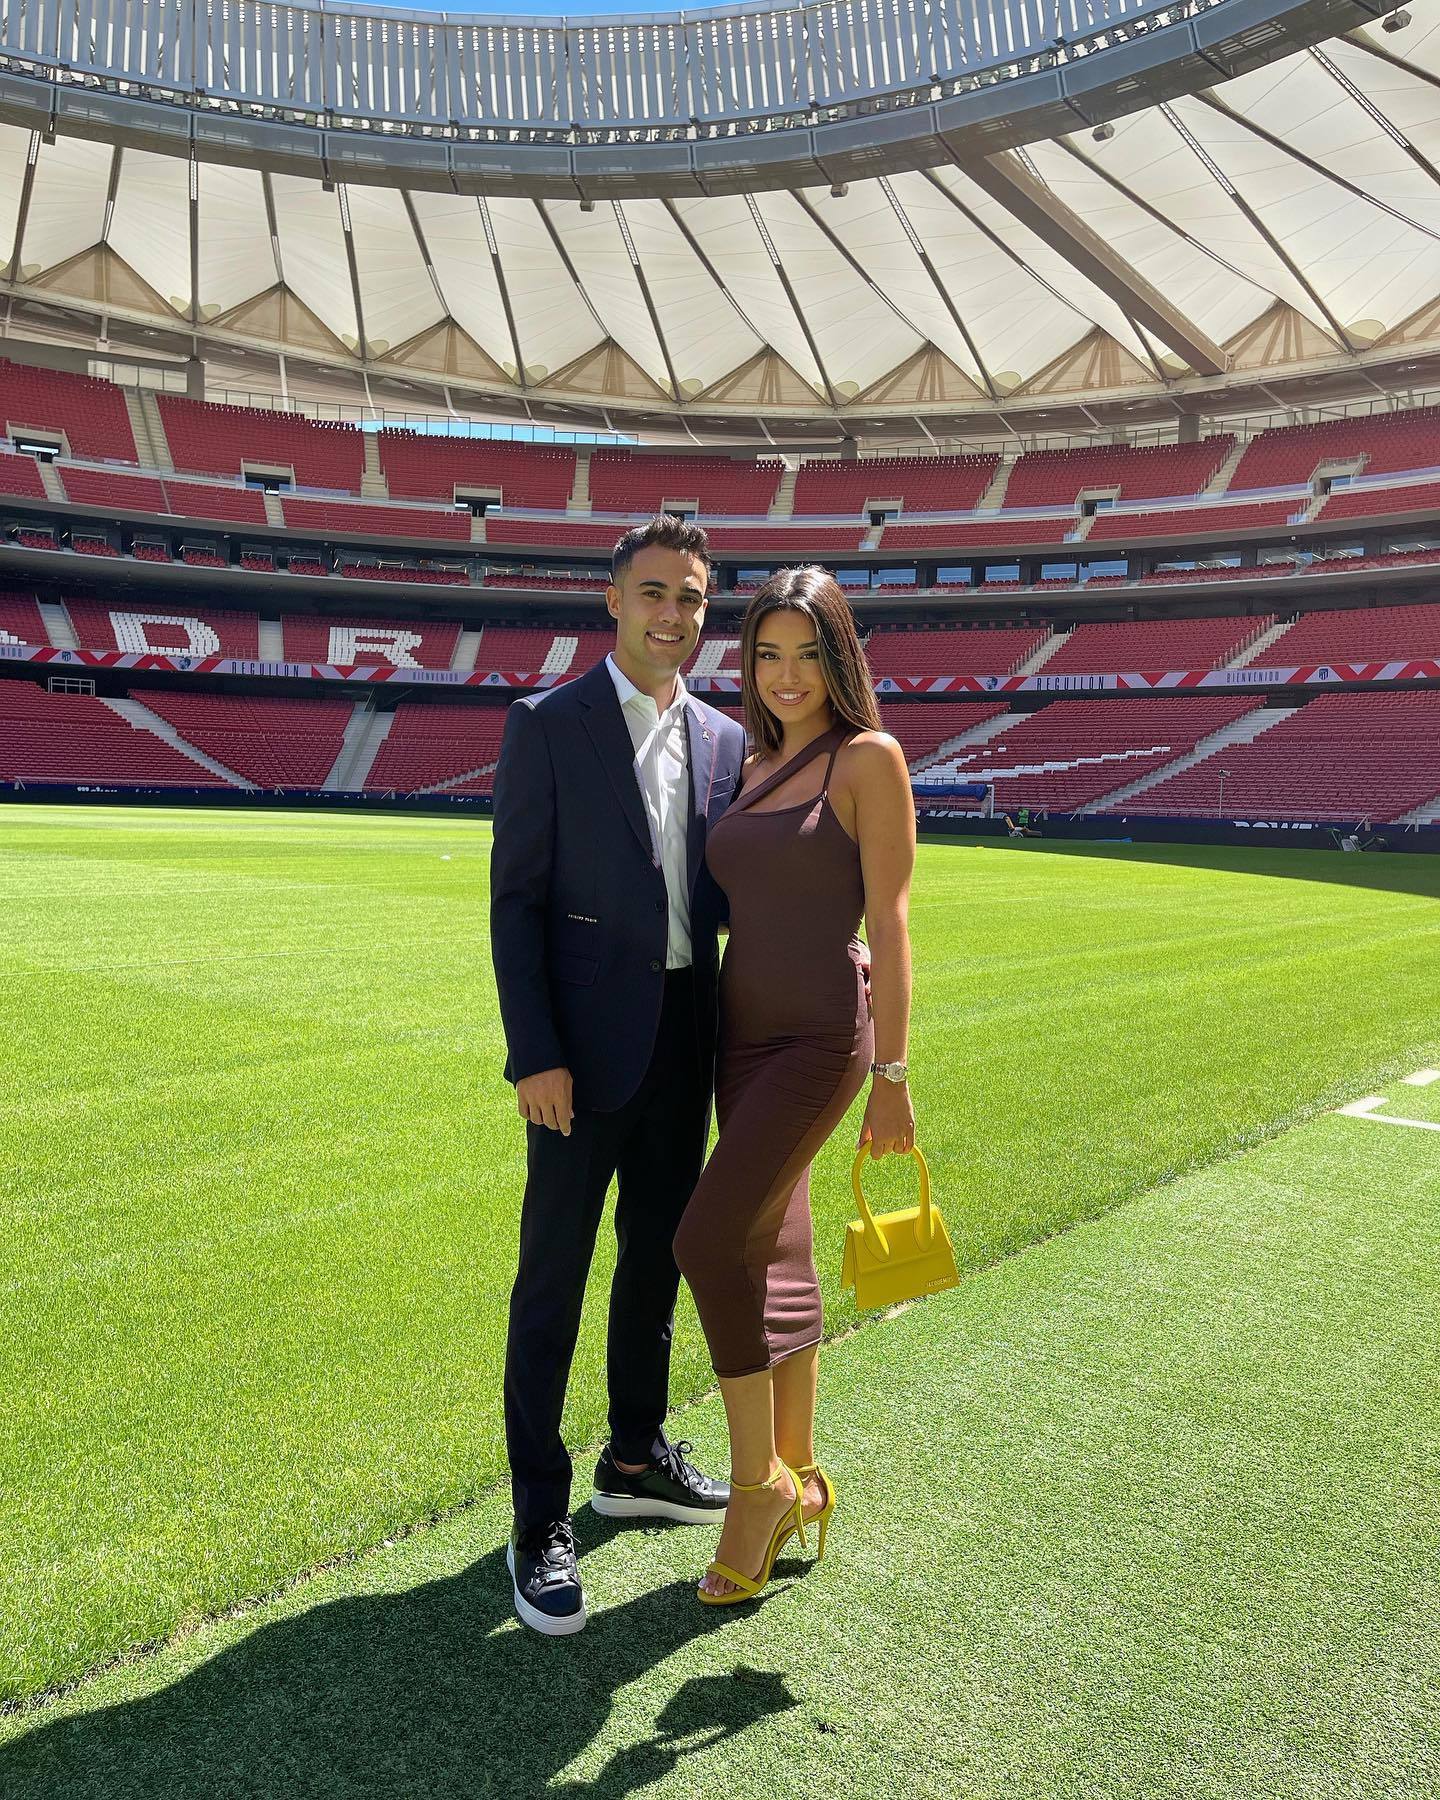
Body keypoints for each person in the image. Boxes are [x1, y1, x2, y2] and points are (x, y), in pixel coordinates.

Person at [489, 513, 748, 1636]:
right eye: (654, 592)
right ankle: (538, 1517)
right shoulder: (548, 725)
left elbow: (740, 891)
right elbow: (515, 903)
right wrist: (535, 1051)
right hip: (579, 1052)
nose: (672, 615)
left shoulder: (728, 739)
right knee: (552, 1277)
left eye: (690, 597)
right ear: (613, 600)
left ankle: (633, 1459)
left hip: (687, 1033)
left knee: (658, 1258)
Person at [673, 566, 917, 1605]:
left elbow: (891, 924)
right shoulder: (753, 762)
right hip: (740, 1038)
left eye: (808, 655)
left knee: (706, 1240)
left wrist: (893, 1076)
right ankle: (803, 1471)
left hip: (821, 1039)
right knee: (775, 1246)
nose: (786, 675)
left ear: (839, 659)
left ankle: (756, 1488)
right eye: (768, 654)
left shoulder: (867, 759)